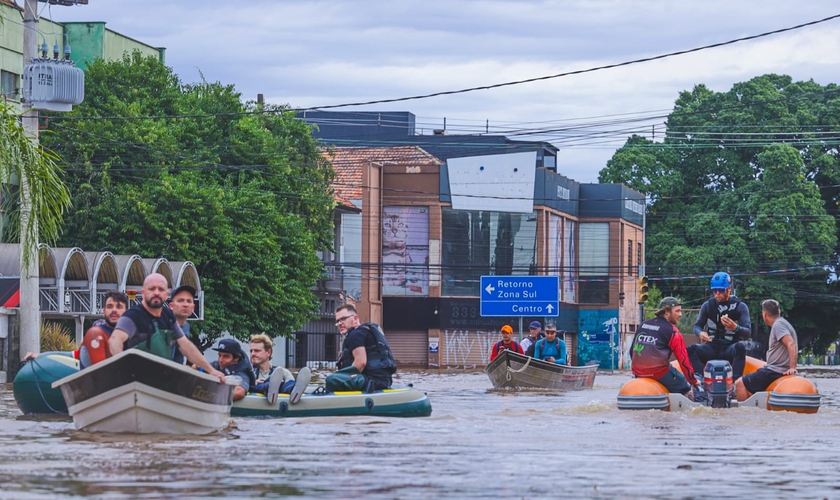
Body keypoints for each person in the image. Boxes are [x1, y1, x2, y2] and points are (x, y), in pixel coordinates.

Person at [108, 273, 226, 384]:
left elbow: (186, 346)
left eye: (161, 289)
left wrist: (212, 371)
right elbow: (114, 340)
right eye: (152, 289)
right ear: (143, 293)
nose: (156, 292)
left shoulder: (168, 315)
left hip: (161, 380)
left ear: (166, 294)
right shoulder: (133, 315)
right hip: (136, 380)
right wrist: (123, 368)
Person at [24, 290, 129, 367]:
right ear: (103, 311)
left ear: (127, 312)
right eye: (110, 307)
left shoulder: (133, 333)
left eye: (119, 307)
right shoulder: (96, 334)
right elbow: (71, 355)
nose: (114, 310)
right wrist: (40, 356)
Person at [688, 272, 751, 382]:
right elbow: (697, 326)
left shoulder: (740, 306)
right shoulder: (708, 305)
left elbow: (748, 332)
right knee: (691, 349)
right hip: (712, 347)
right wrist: (700, 333)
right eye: (714, 290)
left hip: (730, 348)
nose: (717, 294)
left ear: (729, 289)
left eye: (721, 290)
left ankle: (736, 382)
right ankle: (699, 381)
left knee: (740, 347)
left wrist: (735, 327)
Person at [630, 297, 698, 398]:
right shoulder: (673, 331)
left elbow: (632, 352)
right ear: (667, 312)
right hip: (659, 372)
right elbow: (683, 360)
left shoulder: (643, 325)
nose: (680, 315)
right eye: (677, 311)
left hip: (637, 372)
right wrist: (693, 381)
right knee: (684, 385)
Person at [734, 299, 798, 401]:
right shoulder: (784, 323)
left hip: (774, 370)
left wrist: (792, 367)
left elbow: (791, 343)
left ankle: (744, 413)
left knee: (739, 383)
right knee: (750, 385)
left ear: (764, 314)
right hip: (775, 369)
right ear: (779, 311)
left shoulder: (778, 325)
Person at [326, 304, 397, 393]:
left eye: (343, 319)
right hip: (383, 381)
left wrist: (340, 377)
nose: (340, 323)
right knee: (337, 378)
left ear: (355, 318)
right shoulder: (364, 332)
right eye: (338, 321)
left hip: (372, 381)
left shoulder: (355, 334)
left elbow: (360, 363)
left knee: (332, 379)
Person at [249, 333, 310, 404]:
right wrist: (253, 383)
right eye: (251, 351)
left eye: (257, 351)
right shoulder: (248, 372)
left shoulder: (282, 372)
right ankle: (270, 386)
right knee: (263, 384)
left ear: (268, 352)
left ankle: (294, 388)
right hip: (258, 398)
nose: (252, 354)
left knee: (289, 384)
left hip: (282, 397)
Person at [169, 284, 202, 364]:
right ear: (171, 306)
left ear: (193, 307)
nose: (185, 305)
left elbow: (179, 356)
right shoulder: (163, 324)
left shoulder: (186, 326)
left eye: (189, 301)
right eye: (180, 300)